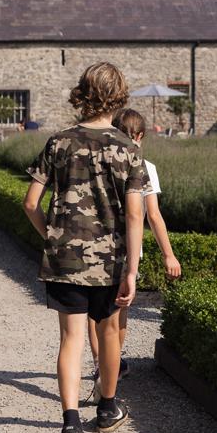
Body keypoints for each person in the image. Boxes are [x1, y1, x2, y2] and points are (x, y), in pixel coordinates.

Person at [22, 62, 147, 433]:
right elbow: (134, 215)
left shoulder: (58, 142)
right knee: (108, 333)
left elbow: (29, 203)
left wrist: (53, 237)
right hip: (109, 262)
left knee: (70, 340)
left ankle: (71, 425)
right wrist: (132, 269)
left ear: (83, 93)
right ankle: (107, 408)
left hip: (65, 261)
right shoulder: (128, 148)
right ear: (119, 96)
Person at [87, 109, 181, 401]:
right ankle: (111, 367)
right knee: (119, 312)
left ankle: (100, 365)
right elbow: (153, 216)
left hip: (93, 246)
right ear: (140, 136)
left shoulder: (99, 161)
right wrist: (169, 254)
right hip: (127, 250)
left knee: (93, 315)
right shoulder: (145, 166)